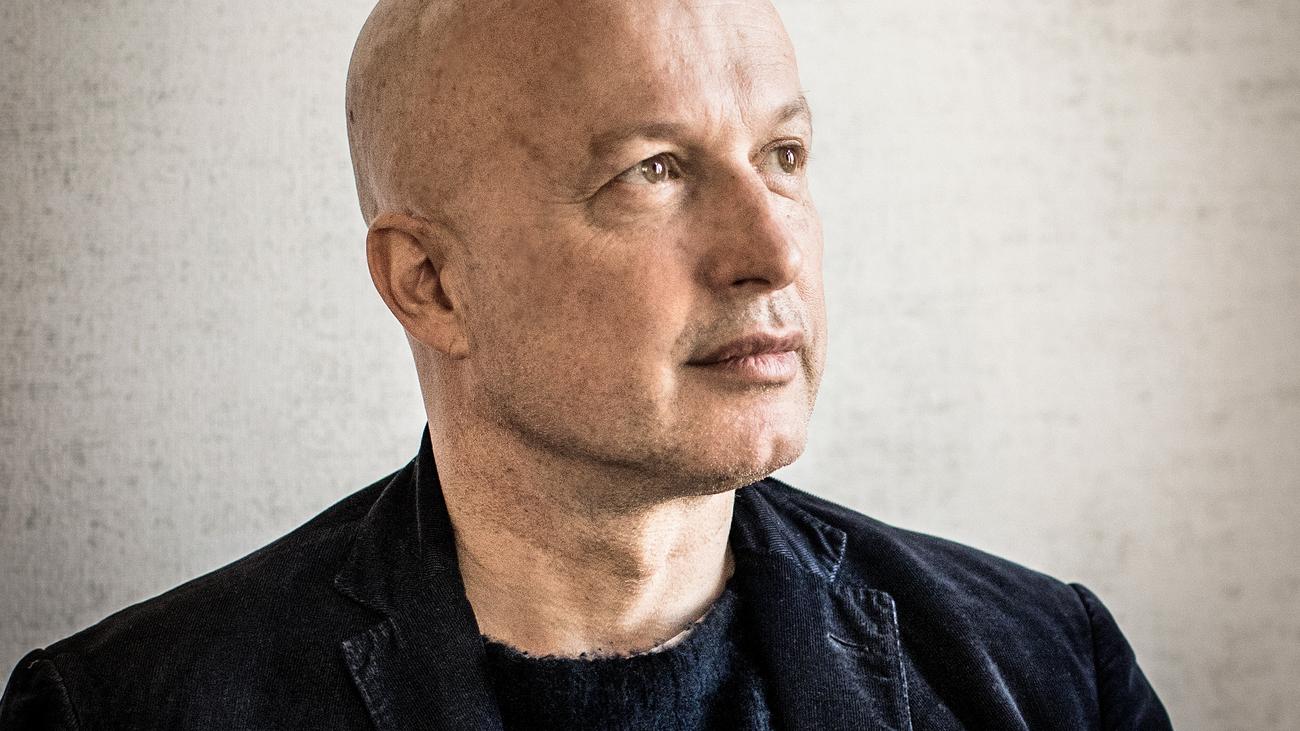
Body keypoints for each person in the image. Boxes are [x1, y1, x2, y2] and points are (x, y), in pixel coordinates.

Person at [0, 0, 1174, 728]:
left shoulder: (1046, 668)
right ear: (431, 282)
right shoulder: (124, 708)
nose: (771, 251)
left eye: (783, 154)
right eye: (653, 170)